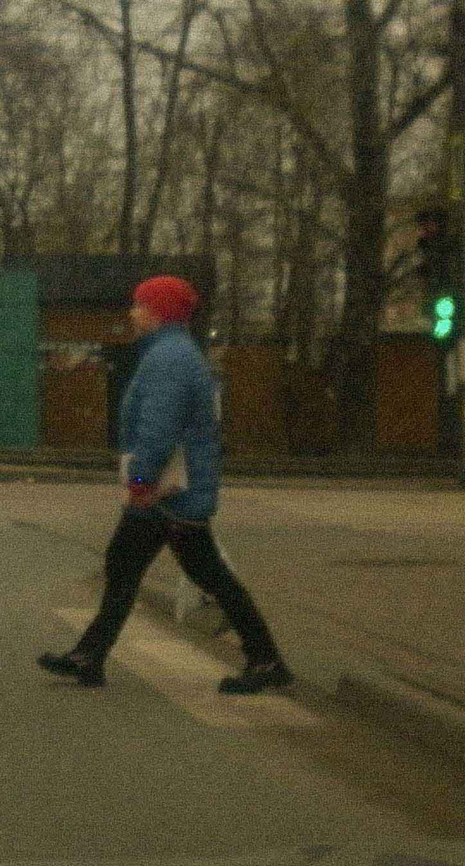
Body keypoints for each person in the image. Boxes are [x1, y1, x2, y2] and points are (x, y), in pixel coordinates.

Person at [39, 274, 293, 693]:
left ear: (159, 312)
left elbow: (158, 429)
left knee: (179, 571)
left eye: (139, 305)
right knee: (138, 567)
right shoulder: (170, 353)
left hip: (168, 493)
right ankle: (89, 656)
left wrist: (140, 482)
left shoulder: (169, 359)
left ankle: (266, 660)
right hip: (171, 494)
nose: (132, 313)